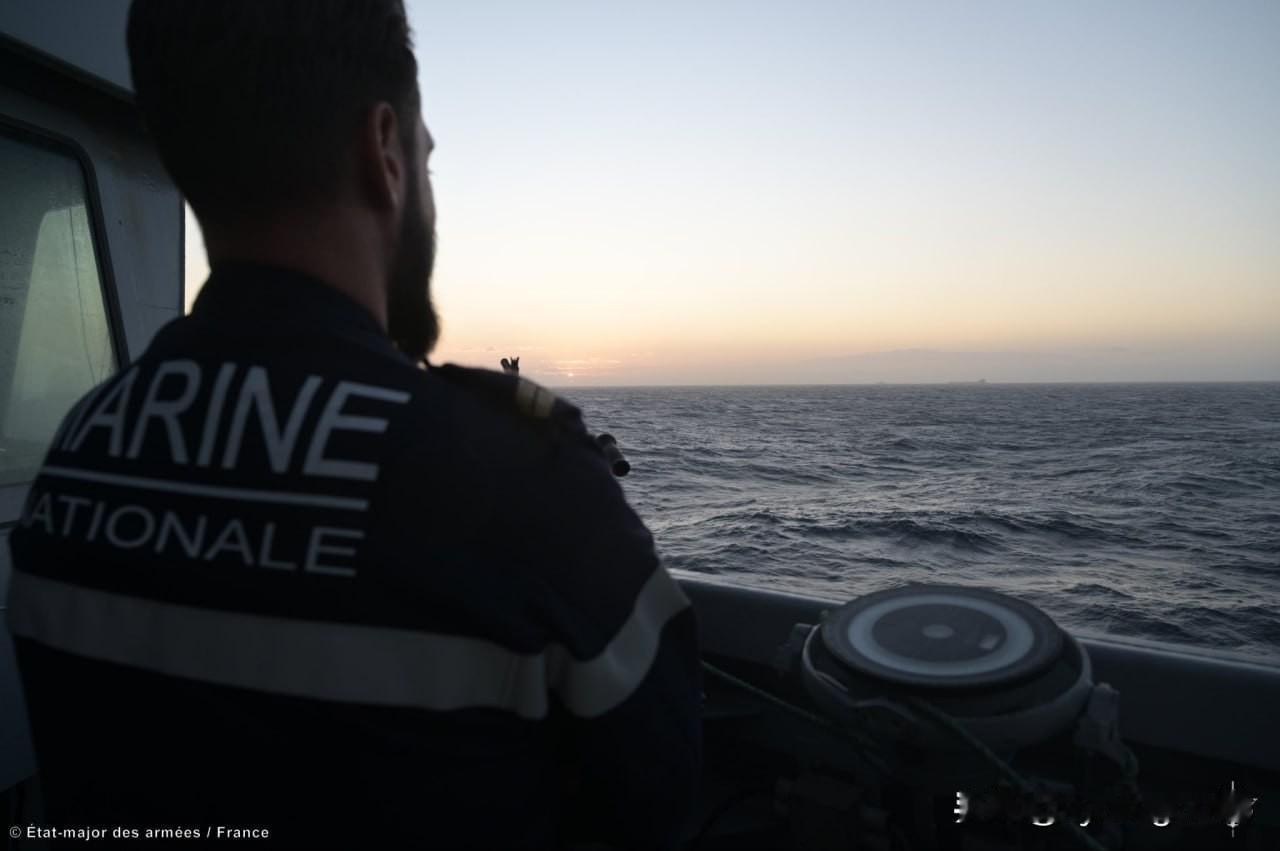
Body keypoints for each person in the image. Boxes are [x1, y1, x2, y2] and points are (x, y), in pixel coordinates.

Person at [4, 2, 701, 848]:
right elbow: (665, 797)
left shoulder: (74, 463)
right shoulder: (524, 489)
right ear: (385, 151)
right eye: (426, 158)